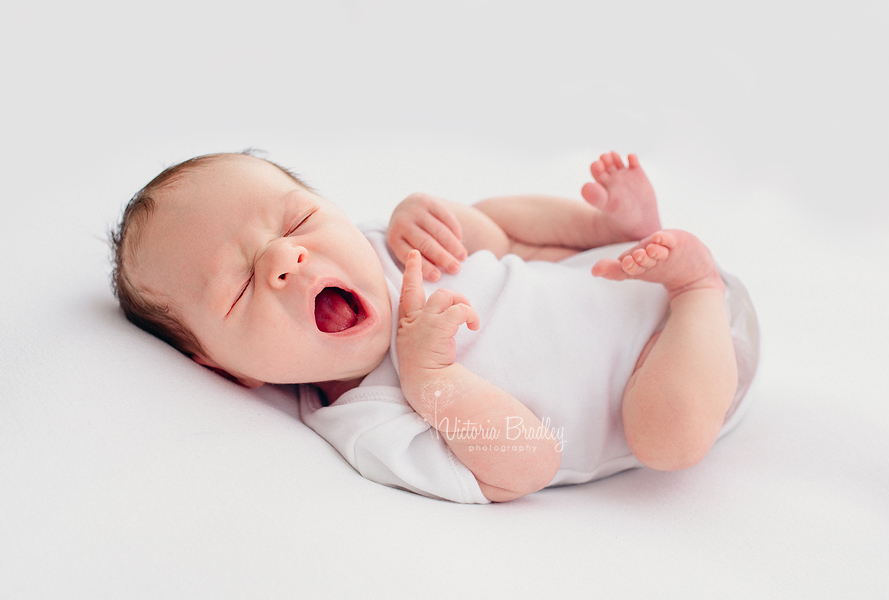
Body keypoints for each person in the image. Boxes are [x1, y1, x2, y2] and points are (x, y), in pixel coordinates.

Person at [110, 150, 759, 503]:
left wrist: (427, 213)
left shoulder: (377, 250)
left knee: (495, 224)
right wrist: (433, 379)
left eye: (297, 222)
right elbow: (530, 465)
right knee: (667, 441)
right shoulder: (368, 424)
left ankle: (605, 228)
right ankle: (698, 284)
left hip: (610, 270)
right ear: (229, 370)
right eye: (244, 285)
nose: (287, 258)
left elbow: (490, 238)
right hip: (678, 363)